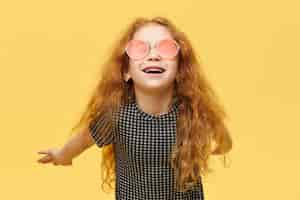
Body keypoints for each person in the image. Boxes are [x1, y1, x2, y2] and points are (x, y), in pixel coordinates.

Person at [37, 16, 232, 200]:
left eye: (165, 48)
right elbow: (84, 139)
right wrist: (62, 155)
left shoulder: (191, 112)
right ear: (126, 71)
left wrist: (221, 145)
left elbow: (221, 135)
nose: (154, 55)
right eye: (140, 49)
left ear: (181, 70)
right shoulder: (117, 116)